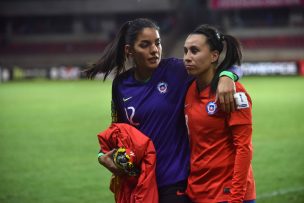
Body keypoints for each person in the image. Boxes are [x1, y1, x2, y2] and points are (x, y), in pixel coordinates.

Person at [85, 18, 241, 203]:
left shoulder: (177, 71)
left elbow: (222, 65)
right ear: (129, 50)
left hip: (174, 181)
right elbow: (117, 129)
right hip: (139, 180)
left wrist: (227, 76)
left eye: (157, 43)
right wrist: (103, 155)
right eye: (145, 45)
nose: (154, 50)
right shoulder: (120, 85)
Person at [183, 24, 256, 203]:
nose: (187, 57)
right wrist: (229, 74)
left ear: (214, 55)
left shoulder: (232, 92)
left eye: (194, 51)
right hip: (197, 192)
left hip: (227, 194)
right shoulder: (189, 88)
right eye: (185, 51)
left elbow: (243, 148)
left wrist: (236, 197)